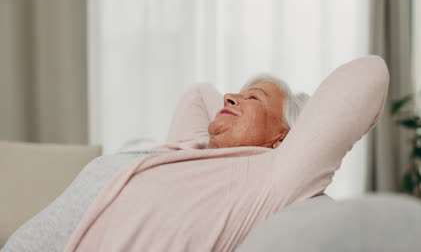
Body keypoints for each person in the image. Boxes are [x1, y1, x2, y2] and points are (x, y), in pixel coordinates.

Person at [2, 56, 390, 252]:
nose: (228, 97)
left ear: (285, 136)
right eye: (235, 92)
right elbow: (199, 93)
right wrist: (244, 105)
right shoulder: (193, 150)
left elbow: (369, 73)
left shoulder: (273, 176)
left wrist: (299, 137)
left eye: (253, 98)